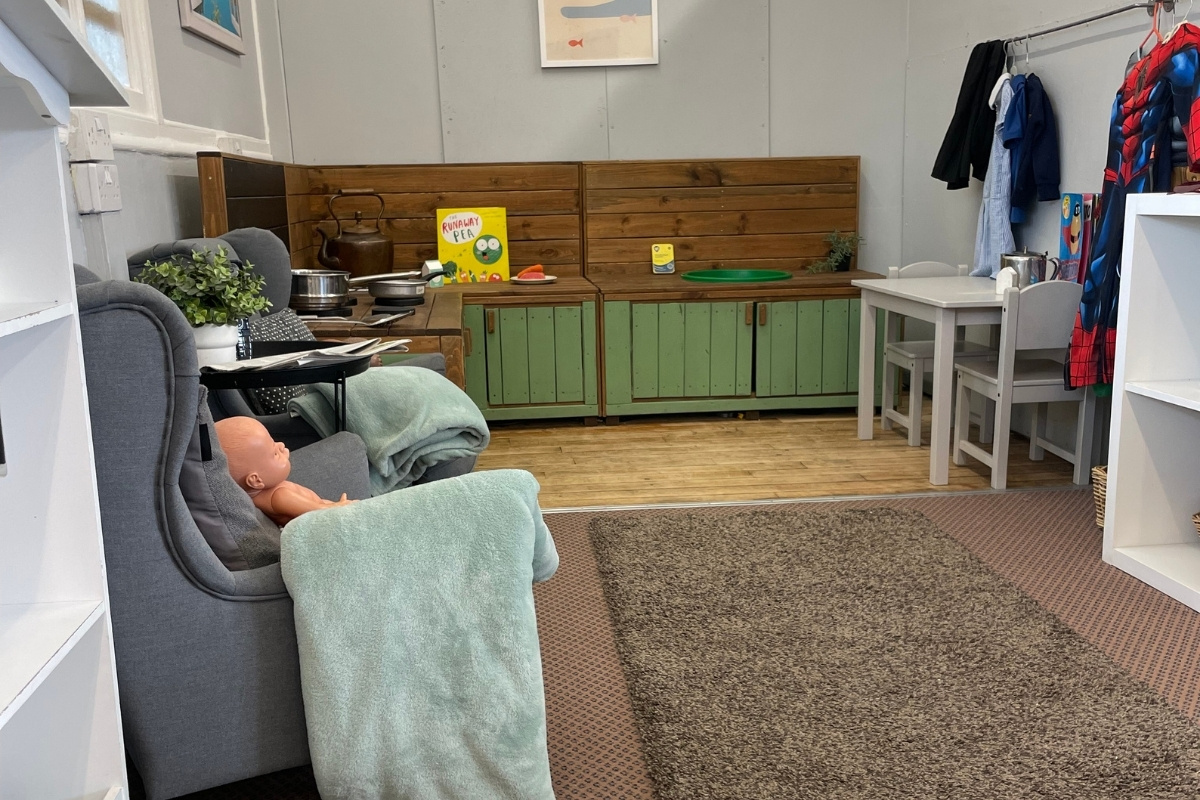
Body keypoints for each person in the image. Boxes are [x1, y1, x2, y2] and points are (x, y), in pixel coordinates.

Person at [214, 416, 356, 525]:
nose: (281, 445)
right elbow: (318, 512)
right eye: (275, 453)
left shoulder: (265, 493)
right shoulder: (279, 497)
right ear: (256, 481)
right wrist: (340, 507)